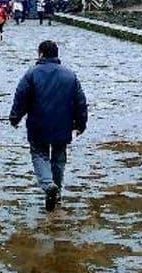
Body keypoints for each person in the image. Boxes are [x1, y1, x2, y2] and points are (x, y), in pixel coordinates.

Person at [9, 39, 88, 212]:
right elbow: (80, 102)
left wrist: (15, 117)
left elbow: (21, 97)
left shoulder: (31, 74)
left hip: (38, 123)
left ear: (41, 54)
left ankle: (48, 185)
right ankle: (56, 191)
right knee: (59, 158)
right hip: (63, 124)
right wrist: (81, 124)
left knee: (39, 155)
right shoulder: (70, 75)